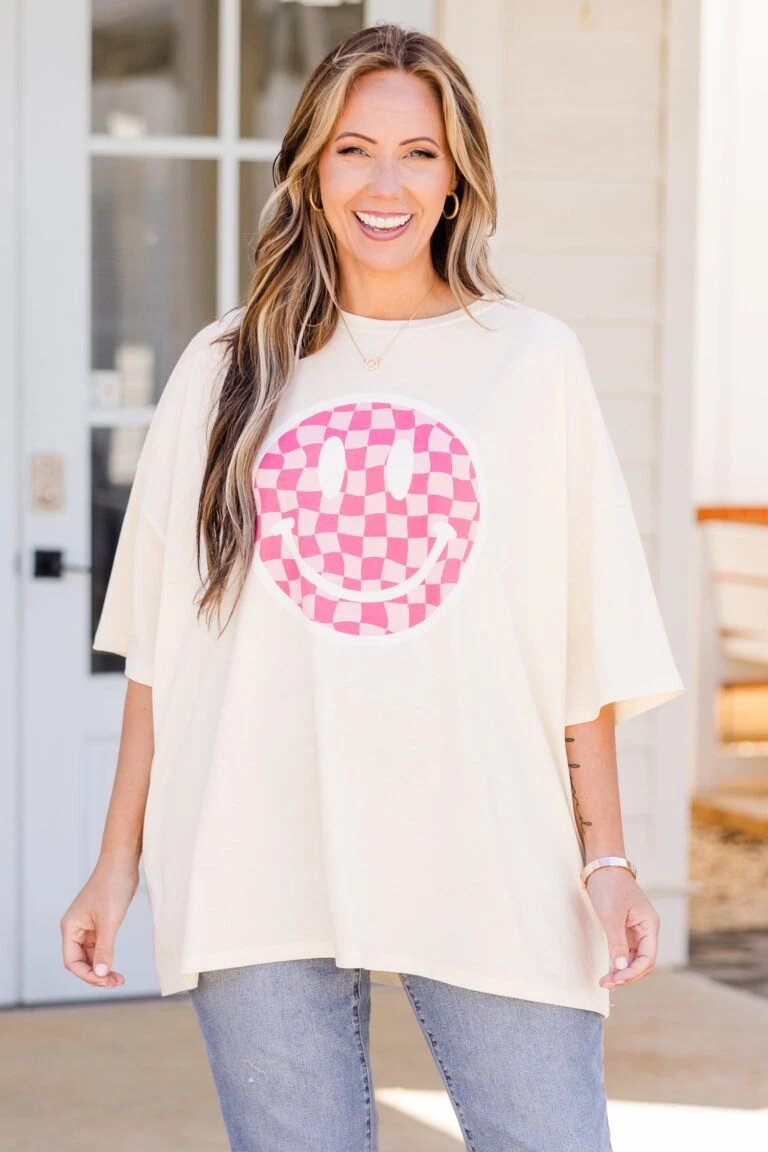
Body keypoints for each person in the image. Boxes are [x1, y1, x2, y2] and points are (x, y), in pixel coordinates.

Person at [60, 23, 685, 1152]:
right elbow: (163, 653)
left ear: (458, 180)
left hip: (486, 839)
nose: (384, 185)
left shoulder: (532, 361)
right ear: (310, 169)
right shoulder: (224, 367)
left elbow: (580, 642)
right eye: (353, 150)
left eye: (419, 154)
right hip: (255, 844)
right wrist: (117, 865)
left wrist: (607, 862)